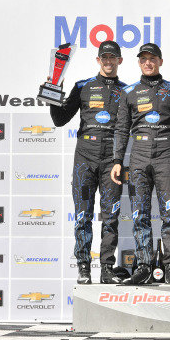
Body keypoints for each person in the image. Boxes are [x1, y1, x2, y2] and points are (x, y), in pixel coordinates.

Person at [111, 42, 170, 285]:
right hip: (138, 155)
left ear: (160, 61)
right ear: (139, 63)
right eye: (143, 59)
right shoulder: (128, 92)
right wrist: (118, 160)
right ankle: (144, 266)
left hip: (165, 155)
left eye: (153, 58)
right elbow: (121, 128)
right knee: (140, 214)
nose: (148, 62)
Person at [49, 40, 125, 285]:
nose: (108, 61)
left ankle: (106, 269)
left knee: (111, 216)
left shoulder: (128, 90)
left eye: (113, 57)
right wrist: (52, 94)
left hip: (113, 159)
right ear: (98, 60)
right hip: (85, 155)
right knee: (83, 215)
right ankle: (83, 266)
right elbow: (60, 119)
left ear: (119, 61)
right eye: (104, 57)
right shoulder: (82, 86)